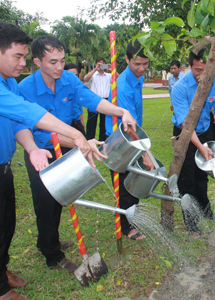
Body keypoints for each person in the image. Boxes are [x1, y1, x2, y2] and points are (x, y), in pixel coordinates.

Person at [19, 35, 137, 273]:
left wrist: (122, 111)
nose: (59, 67)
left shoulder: (69, 80)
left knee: (63, 194)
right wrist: (77, 140)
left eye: (62, 61)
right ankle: (52, 253)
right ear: (37, 61)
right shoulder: (25, 89)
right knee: (45, 201)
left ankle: (48, 239)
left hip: (66, 145)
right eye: (53, 62)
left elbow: (93, 101)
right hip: (40, 150)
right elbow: (33, 128)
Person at [0, 22, 98, 300]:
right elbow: (28, 112)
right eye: (17, 57)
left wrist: (31, 148)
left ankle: (3, 270)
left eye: (23, 56)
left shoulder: (7, 82)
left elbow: (20, 122)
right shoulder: (17, 87)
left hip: (6, 165)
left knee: (7, 224)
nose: (22, 63)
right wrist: (76, 136)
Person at [171, 48, 215, 235]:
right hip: (185, 134)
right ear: (189, 66)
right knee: (187, 179)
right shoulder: (180, 87)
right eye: (197, 70)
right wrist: (200, 147)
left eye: (205, 70)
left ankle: (205, 210)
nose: (202, 75)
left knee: (204, 173)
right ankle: (191, 223)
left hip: (206, 129)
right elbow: (185, 124)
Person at [105, 40, 155, 240]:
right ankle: (126, 227)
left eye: (145, 63)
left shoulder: (138, 78)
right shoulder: (123, 86)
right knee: (125, 183)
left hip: (134, 136)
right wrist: (145, 153)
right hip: (122, 140)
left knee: (135, 180)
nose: (142, 68)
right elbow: (128, 125)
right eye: (137, 64)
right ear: (126, 60)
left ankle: (132, 217)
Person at [84, 58, 112, 141]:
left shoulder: (108, 75)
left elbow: (118, 78)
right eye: (99, 64)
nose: (101, 65)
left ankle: (102, 141)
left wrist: (112, 70)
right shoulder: (93, 75)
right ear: (96, 64)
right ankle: (89, 140)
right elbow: (85, 79)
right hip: (94, 100)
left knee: (103, 123)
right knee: (91, 122)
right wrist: (95, 69)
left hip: (105, 100)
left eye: (103, 64)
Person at [64, 63, 85, 136]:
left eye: (75, 75)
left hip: (77, 123)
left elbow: (79, 107)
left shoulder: (77, 89)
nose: (72, 78)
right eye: (70, 74)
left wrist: (82, 122)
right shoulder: (60, 90)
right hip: (66, 125)